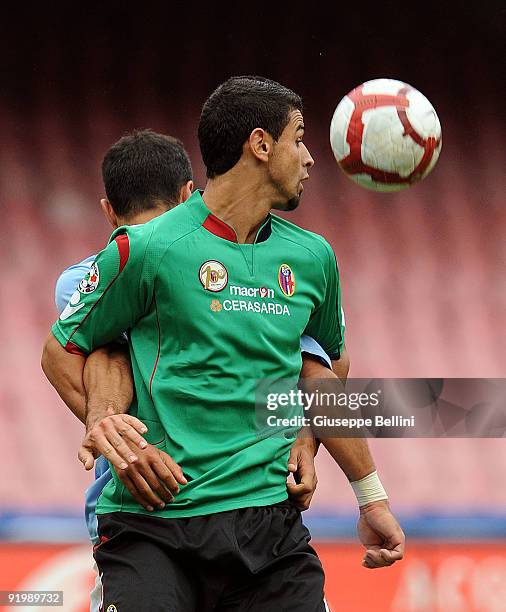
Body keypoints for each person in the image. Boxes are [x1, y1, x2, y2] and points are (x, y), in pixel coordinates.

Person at [42, 77, 403, 611]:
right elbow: (69, 348)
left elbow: (327, 366)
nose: (308, 158)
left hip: (269, 527)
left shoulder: (313, 257)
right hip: (153, 525)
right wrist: (112, 433)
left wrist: (354, 481)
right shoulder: (146, 250)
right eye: (298, 139)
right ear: (260, 146)